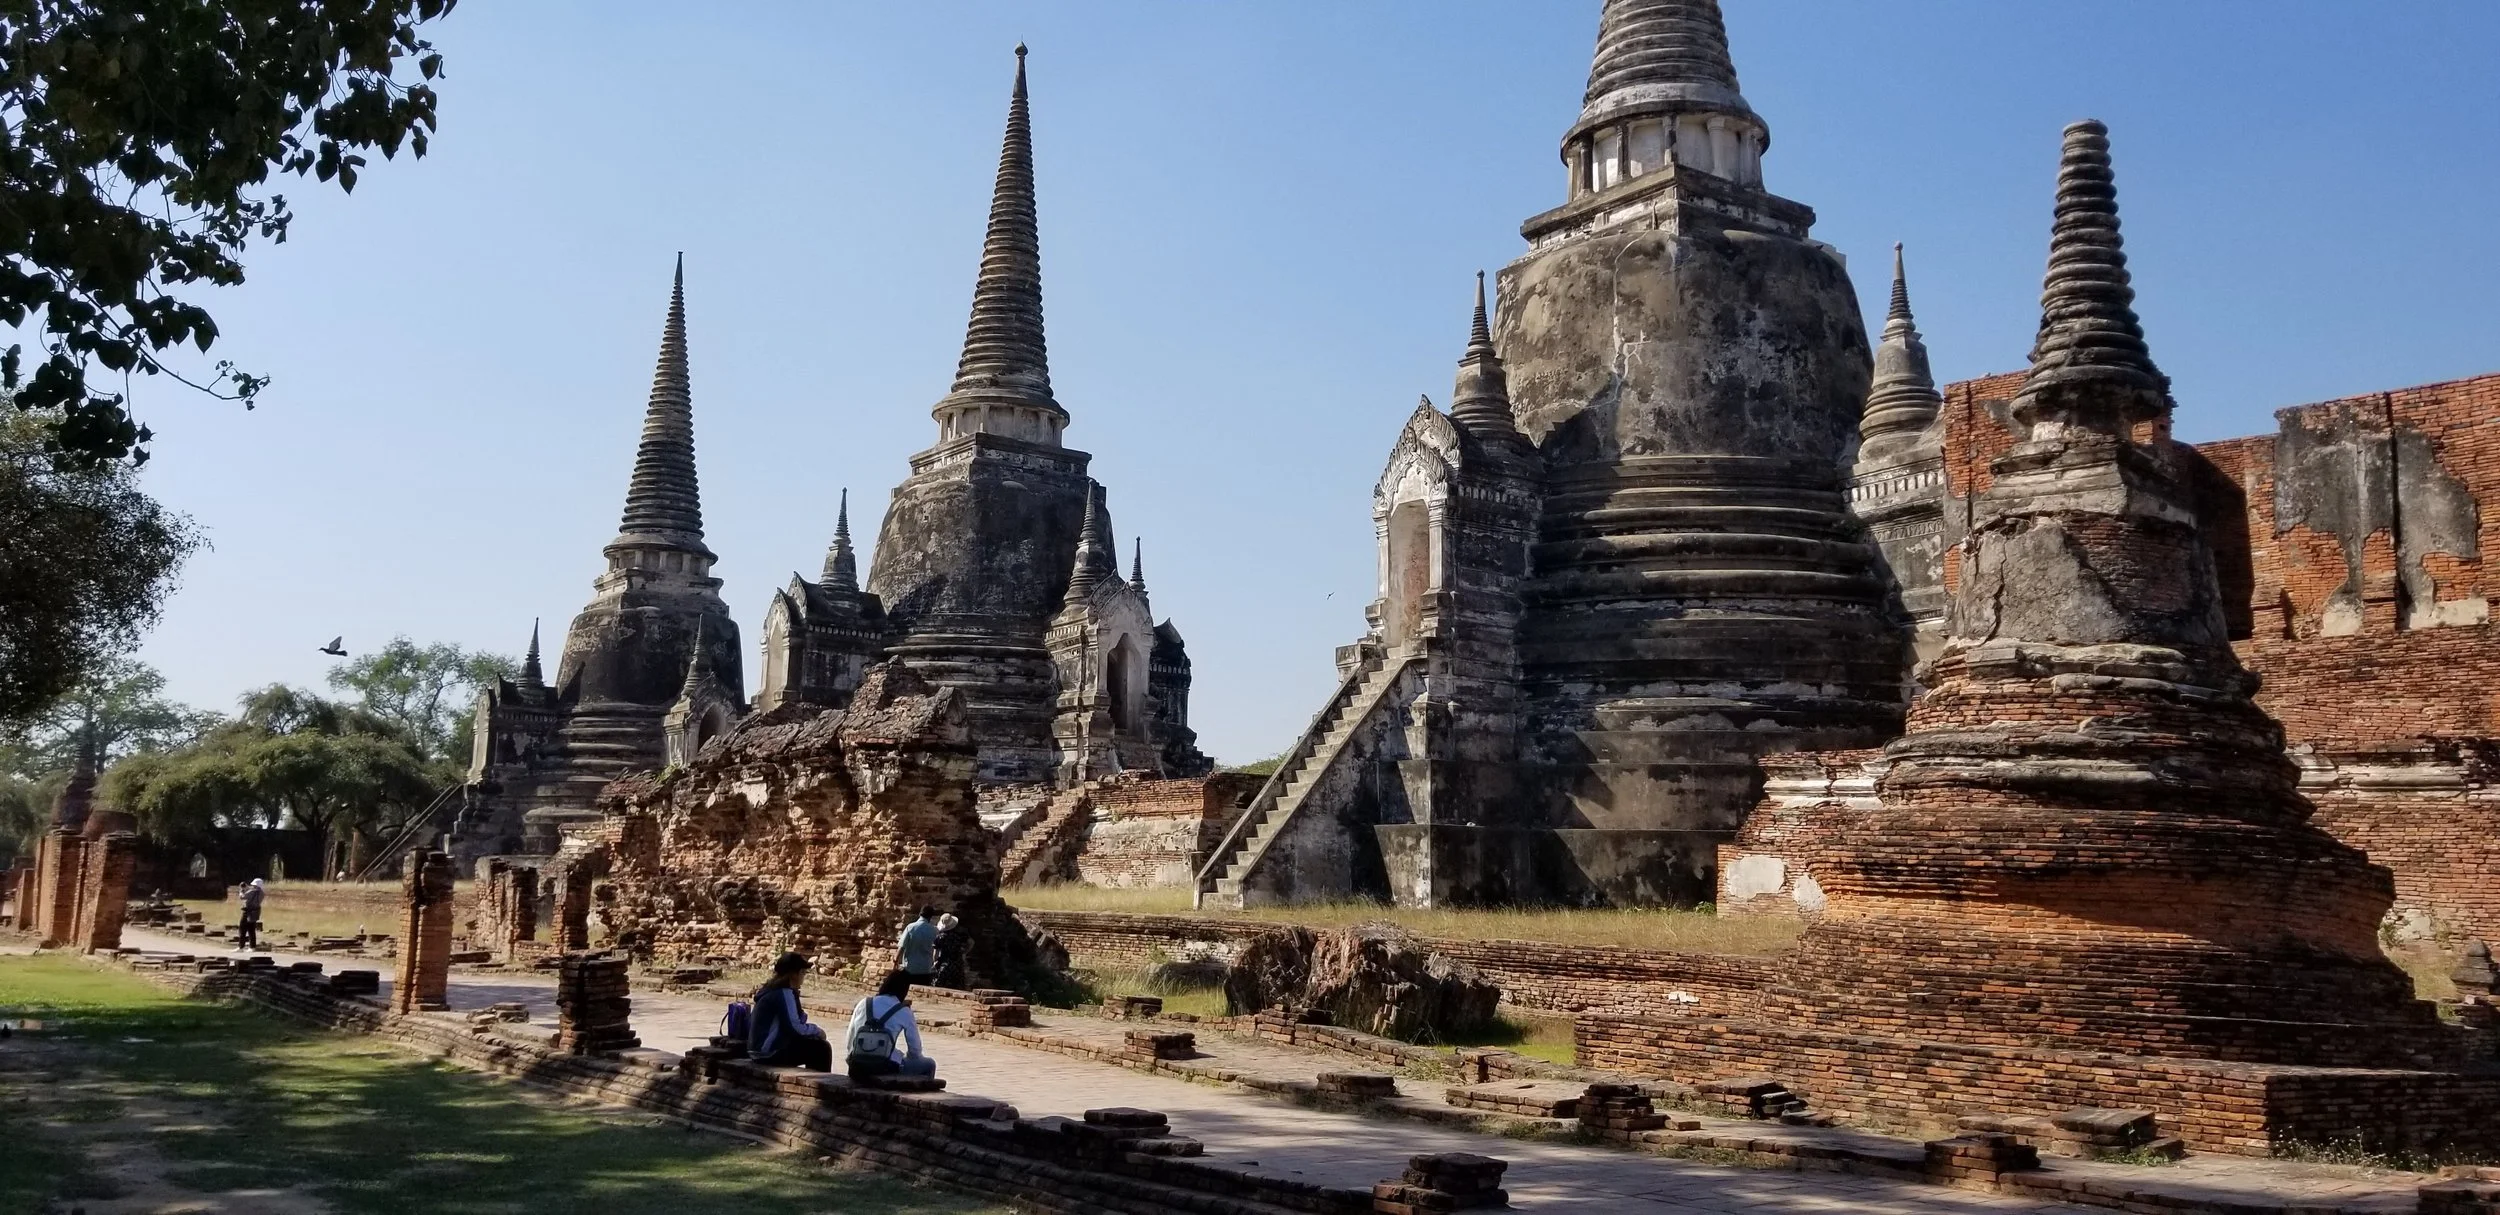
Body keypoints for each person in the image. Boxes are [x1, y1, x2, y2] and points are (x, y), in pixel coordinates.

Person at [747, 952, 832, 1071]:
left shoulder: (772, 990)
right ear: (793, 975)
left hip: (757, 1050)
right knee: (822, 1048)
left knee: (812, 1044)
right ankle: (821, 1082)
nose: (803, 978)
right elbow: (795, 1027)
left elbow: (798, 1018)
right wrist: (817, 1031)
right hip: (767, 1052)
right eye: (802, 973)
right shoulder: (783, 993)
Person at [844, 970, 935, 1081]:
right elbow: (915, 1051)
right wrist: (900, 1056)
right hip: (886, 1066)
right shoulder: (904, 1011)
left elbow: (850, 1038)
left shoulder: (864, 1003)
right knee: (930, 1064)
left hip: (858, 1065)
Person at [894, 906, 942, 986]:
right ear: (930, 917)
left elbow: (901, 946)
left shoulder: (911, 927)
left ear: (920, 914)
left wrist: (896, 960)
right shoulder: (934, 930)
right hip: (926, 969)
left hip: (910, 968)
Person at [932, 913, 965, 988]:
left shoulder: (940, 937)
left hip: (944, 965)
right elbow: (971, 942)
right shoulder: (958, 936)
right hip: (957, 965)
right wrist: (964, 952)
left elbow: (935, 954)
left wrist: (935, 963)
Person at [234, 878, 266, 952]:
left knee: (242, 928)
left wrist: (241, 891)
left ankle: (241, 947)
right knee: (251, 929)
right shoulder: (262, 893)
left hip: (248, 911)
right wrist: (247, 889)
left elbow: (243, 897)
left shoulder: (252, 891)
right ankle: (252, 947)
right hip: (255, 912)